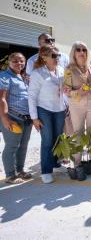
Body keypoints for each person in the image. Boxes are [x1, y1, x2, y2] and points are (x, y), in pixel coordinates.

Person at [28, 45, 66, 184]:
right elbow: (31, 96)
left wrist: (66, 105)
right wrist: (34, 118)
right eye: (54, 56)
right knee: (47, 140)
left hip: (60, 109)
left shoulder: (61, 70)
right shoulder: (37, 73)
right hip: (44, 110)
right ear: (44, 58)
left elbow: (64, 91)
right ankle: (46, 171)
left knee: (57, 139)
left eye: (58, 56)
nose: (57, 58)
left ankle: (55, 164)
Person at [63, 41, 91, 167]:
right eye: (78, 50)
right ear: (74, 52)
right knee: (77, 133)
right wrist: (80, 91)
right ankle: (77, 164)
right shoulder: (68, 69)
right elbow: (66, 91)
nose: (81, 52)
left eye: (84, 49)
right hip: (76, 104)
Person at [0, 53, 33, 184]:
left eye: (21, 61)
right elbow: (2, 99)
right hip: (13, 117)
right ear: (9, 62)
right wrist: (5, 118)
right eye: (15, 61)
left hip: (26, 118)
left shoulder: (23, 77)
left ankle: (20, 170)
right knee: (12, 146)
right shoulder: (4, 76)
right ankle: (10, 175)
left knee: (23, 146)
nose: (19, 63)